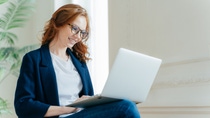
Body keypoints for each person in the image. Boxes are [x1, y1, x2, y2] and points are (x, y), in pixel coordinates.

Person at [14, 4, 141, 118]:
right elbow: (23, 106)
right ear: (58, 24)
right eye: (75, 29)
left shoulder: (79, 61)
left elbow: (89, 98)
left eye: (82, 33)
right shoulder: (34, 59)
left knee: (126, 103)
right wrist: (69, 108)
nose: (78, 36)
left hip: (83, 114)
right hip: (61, 116)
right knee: (126, 107)